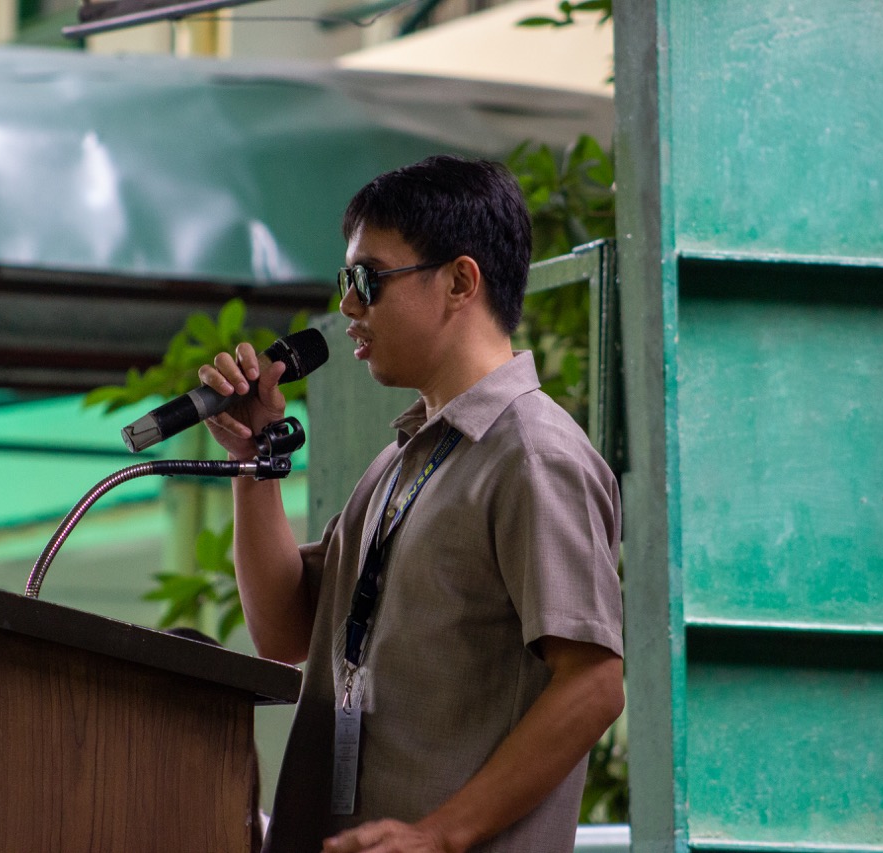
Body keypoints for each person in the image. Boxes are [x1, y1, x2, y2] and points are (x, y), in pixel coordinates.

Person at [198, 155, 624, 853]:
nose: (348, 307)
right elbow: (285, 632)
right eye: (346, 282)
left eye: (367, 279)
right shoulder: (401, 462)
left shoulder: (531, 454)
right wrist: (255, 460)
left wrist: (438, 835)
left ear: (460, 281)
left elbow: (595, 684)